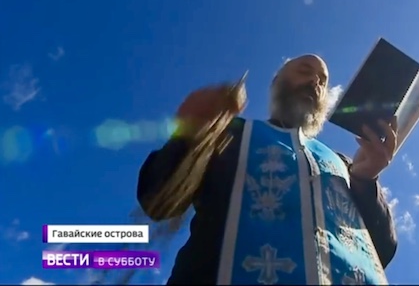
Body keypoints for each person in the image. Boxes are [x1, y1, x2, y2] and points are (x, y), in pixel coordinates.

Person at [136, 54, 399, 284]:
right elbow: (157, 200)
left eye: (322, 81)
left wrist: (366, 180)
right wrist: (190, 133)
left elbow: (381, 253)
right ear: (277, 83)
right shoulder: (228, 134)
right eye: (305, 71)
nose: (314, 83)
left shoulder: (343, 165)